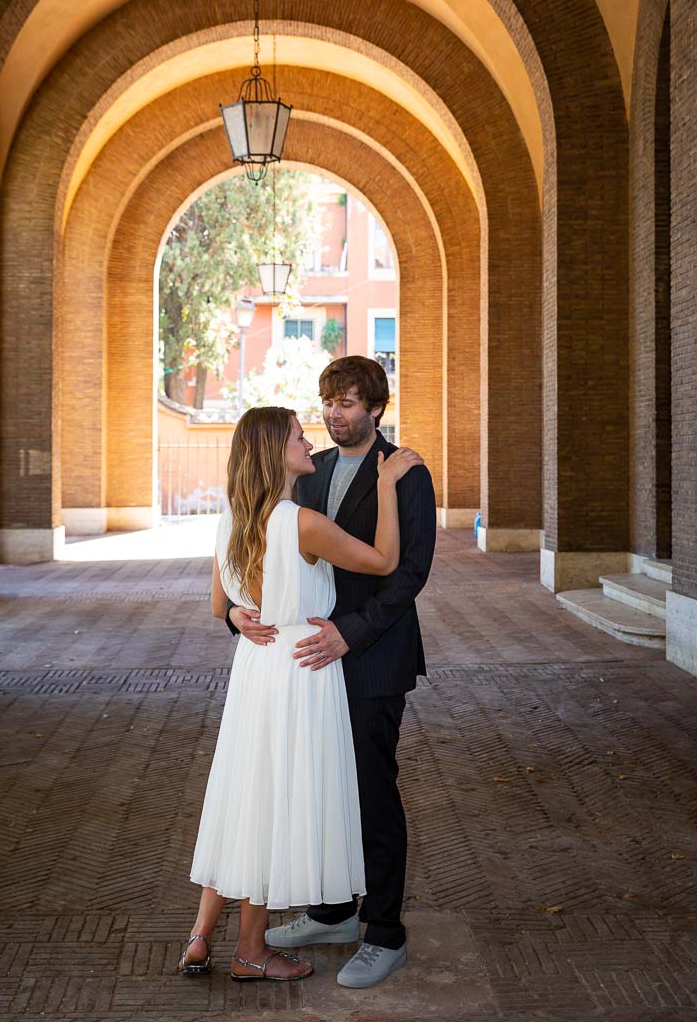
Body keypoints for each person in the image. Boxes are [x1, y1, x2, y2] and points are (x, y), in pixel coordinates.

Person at [180, 405, 423, 982]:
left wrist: (243, 615)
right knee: (276, 800)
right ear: (276, 452)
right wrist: (387, 486)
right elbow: (387, 559)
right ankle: (250, 951)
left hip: (254, 671)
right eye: (296, 435)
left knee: (247, 794)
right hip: (300, 670)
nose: (307, 439)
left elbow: (221, 607)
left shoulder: (232, 518)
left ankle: (208, 935)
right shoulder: (301, 523)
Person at [231, 356, 437, 988]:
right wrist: (236, 613)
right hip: (308, 667)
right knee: (321, 786)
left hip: (372, 658)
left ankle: (384, 932)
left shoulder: (406, 473)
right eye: (327, 402)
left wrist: (351, 633)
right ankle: (331, 912)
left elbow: (408, 574)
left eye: (347, 403)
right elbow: (264, 547)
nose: (333, 414)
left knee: (373, 792)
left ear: (376, 408)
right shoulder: (310, 469)